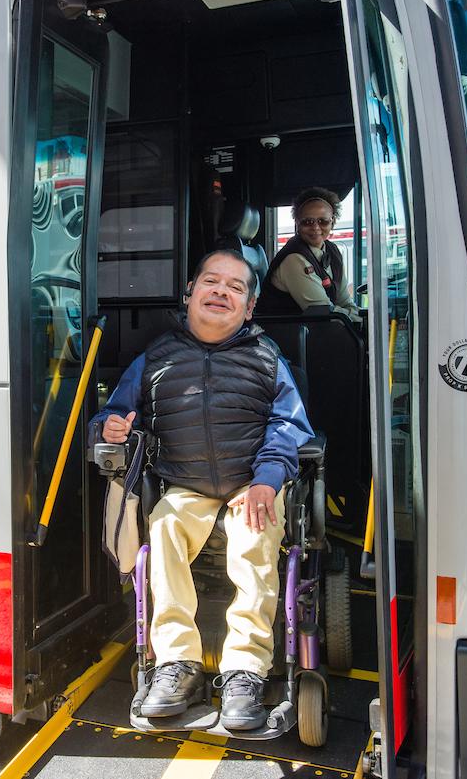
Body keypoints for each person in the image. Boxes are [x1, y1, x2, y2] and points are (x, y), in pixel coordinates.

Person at [93, 249, 313, 731]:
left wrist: (266, 480)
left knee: (255, 534)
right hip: (185, 485)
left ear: (249, 308)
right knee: (163, 526)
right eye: (212, 282)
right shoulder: (155, 358)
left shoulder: (266, 357)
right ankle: (176, 664)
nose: (221, 292)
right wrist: (107, 427)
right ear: (190, 293)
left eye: (236, 287)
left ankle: (245, 671)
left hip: (250, 484)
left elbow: (290, 426)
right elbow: (110, 414)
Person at [260, 187, 359, 316]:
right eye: (307, 222)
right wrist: (355, 318)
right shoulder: (294, 258)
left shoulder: (333, 251)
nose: (316, 227)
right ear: (297, 224)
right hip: (290, 328)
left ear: (333, 222)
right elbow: (322, 312)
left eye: (323, 221)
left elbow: (344, 301)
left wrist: (357, 317)